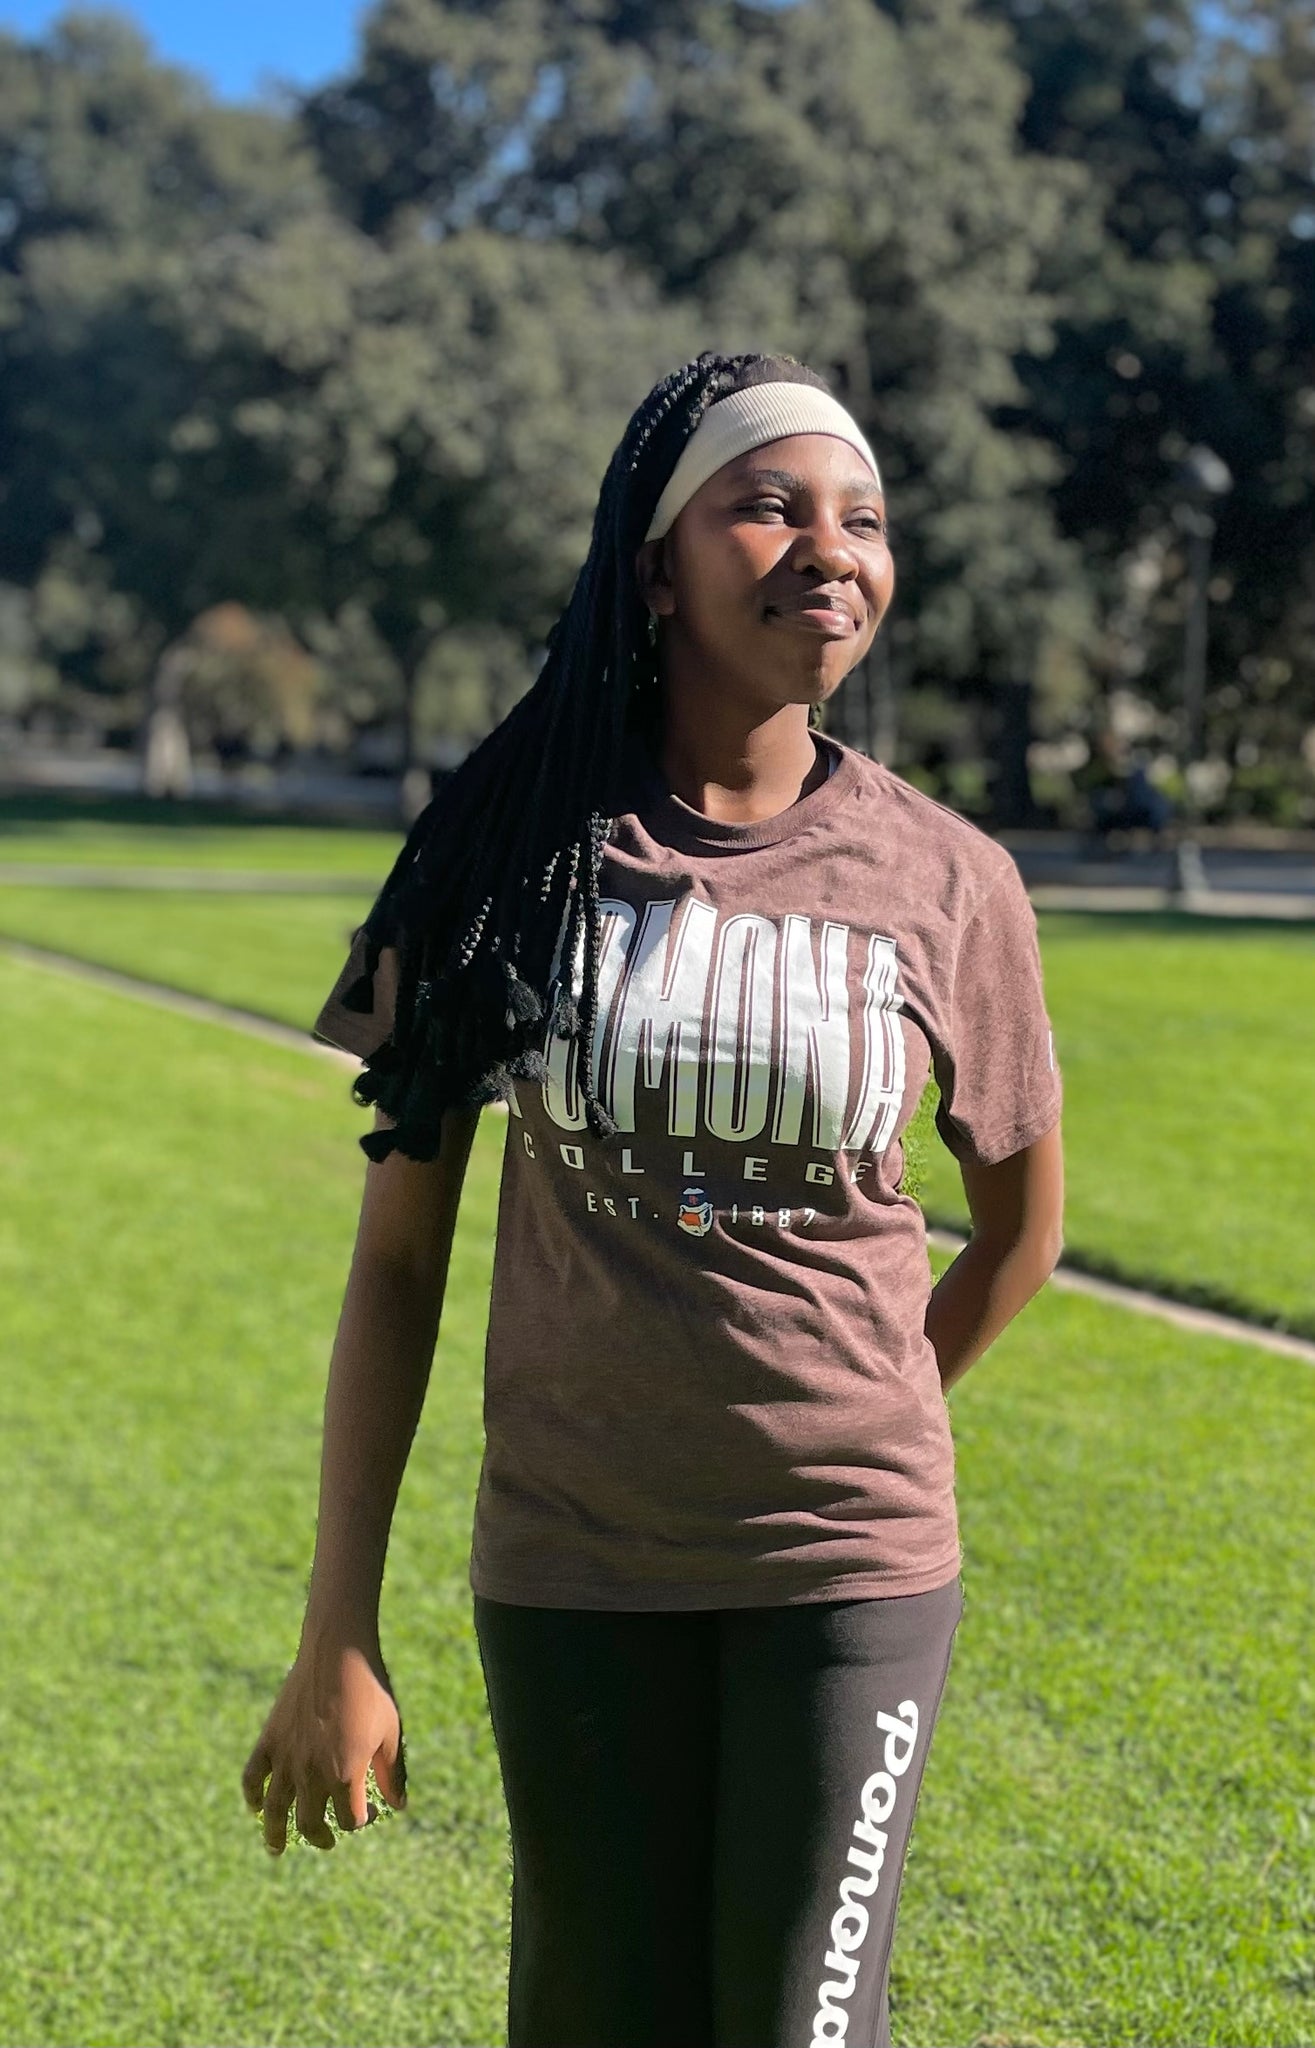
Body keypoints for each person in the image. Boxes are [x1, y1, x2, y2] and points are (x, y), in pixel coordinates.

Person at [241, 349, 1066, 2048]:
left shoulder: (952, 878)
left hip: (849, 1572)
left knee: (799, 2025)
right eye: (768, 505)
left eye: (864, 518)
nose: (829, 548)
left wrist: (870, 1412)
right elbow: (398, 1265)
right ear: (656, 566)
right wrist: (339, 1627)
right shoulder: (505, 849)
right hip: (574, 1568)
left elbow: (1020, 1228)